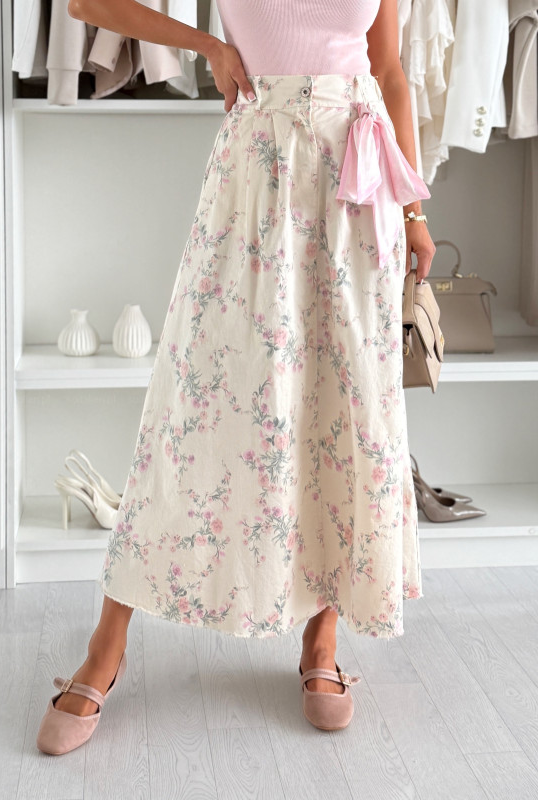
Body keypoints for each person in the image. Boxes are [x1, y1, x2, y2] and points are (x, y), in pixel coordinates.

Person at [36, 0, 436, 755]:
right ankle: (106, 648)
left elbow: (388, 70)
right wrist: (205, 46)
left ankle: (322, 642)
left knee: (342, 407)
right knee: (191, 406)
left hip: (358, 186)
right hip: (256, 178)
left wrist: (415, 211)